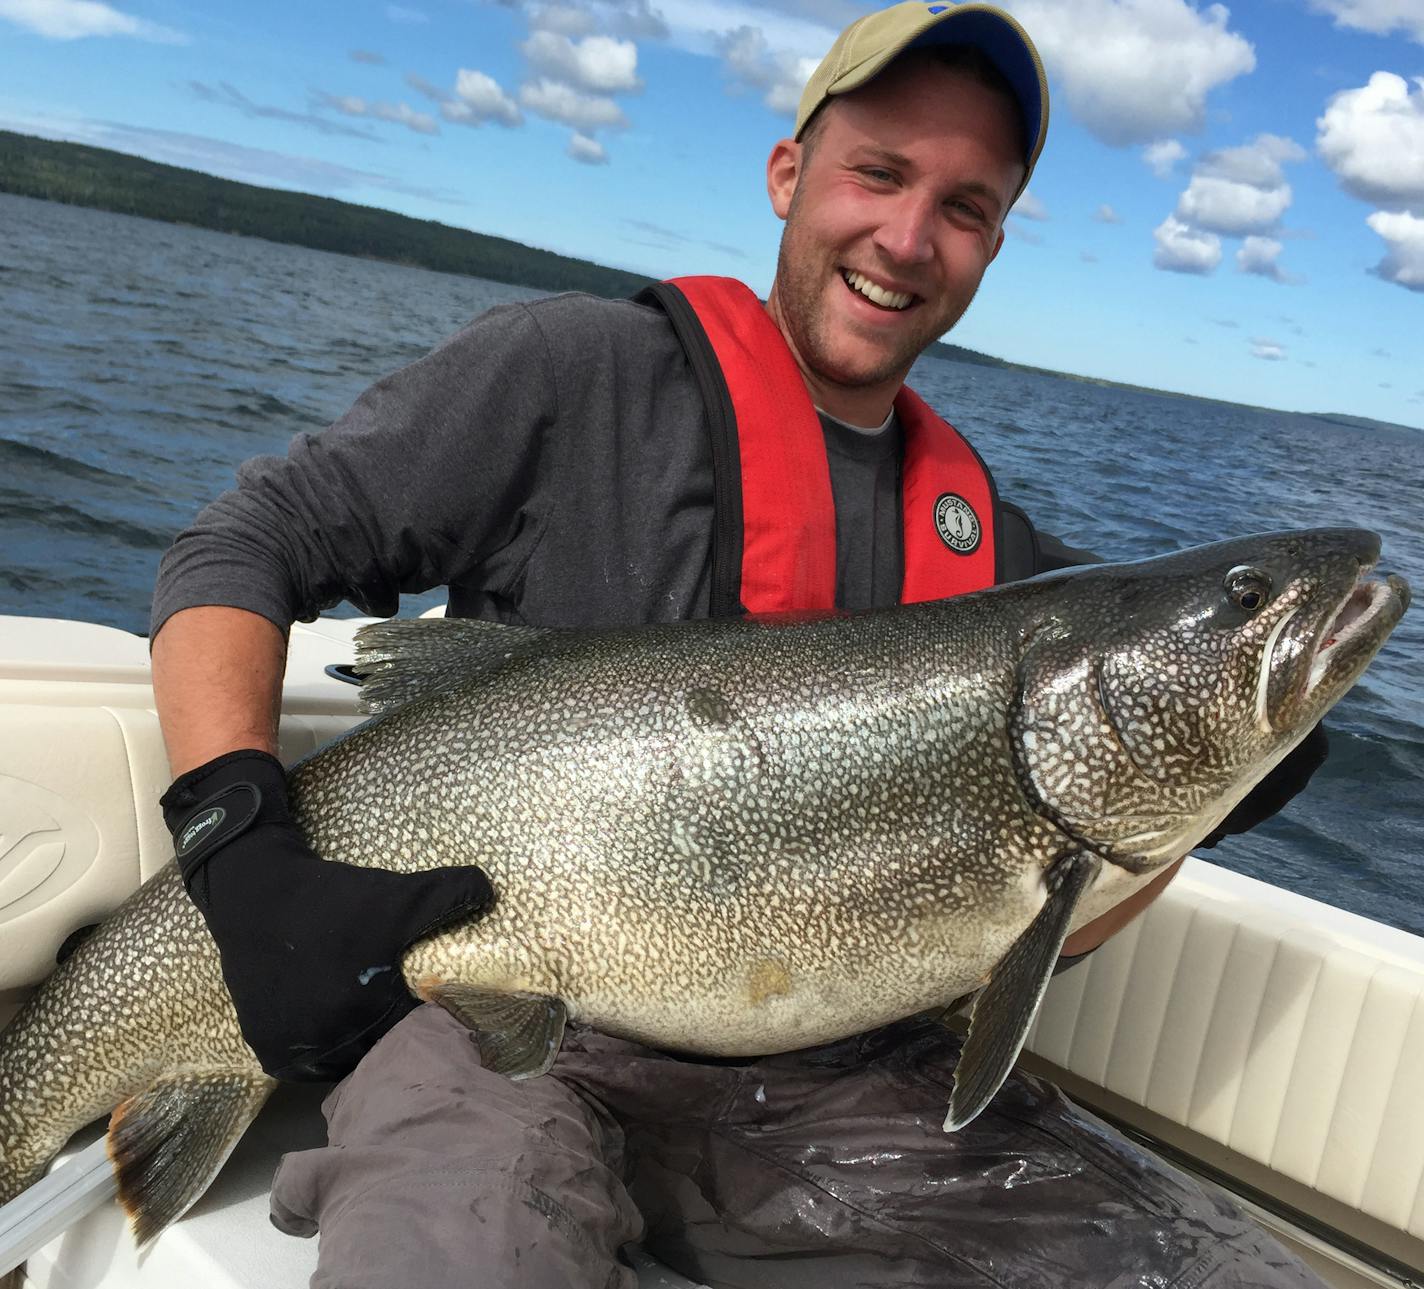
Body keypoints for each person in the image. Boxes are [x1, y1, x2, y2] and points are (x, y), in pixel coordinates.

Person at [150, 2, 1330, 1285]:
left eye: (963, 205)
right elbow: (245, 541)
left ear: (991, 244)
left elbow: (1059, 902)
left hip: (838, 1076)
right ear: (787, 173)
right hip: (491, 1022)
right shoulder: (570, 370)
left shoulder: (992, 546)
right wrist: (238, 844)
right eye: (877, 172)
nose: (906, 236)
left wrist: (1222, 767)